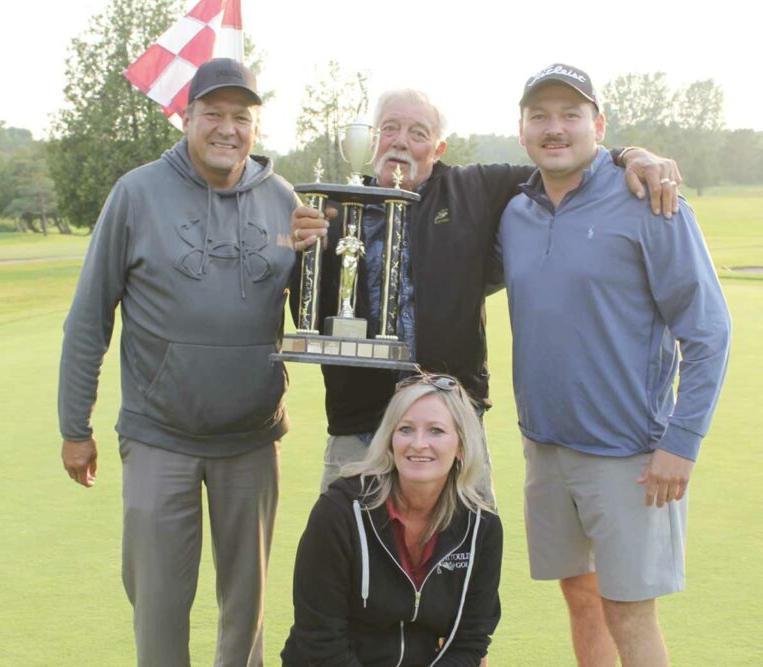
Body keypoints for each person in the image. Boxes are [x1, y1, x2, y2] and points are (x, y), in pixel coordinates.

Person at [290, 88, 682, 498]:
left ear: (439, 148)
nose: (401, 141)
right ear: (373, 139)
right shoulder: (333, 210)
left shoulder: (473, 189)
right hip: (358, 430)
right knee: (345, 555)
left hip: (453, 425)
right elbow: (313, 322)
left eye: (418, 132)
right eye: (390, 128)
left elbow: (563, 164)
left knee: (462, 554)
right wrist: (300, 253)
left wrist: (629, 155)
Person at [58, 58, 298, 667]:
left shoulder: (284, 200)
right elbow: (90, 316)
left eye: (241, 117)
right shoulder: (137, 193)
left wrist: (326, 250)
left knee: (246, 610)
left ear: (256, 125)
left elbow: (317, 316)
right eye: (212, 113)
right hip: (159, 434)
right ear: (185, 117)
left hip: (251, 439)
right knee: (159, 603)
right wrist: (74, 426)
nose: (227, 128)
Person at [497, 64, 731, 667]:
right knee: (580, 594)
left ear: (598, 125)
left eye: (571, 115)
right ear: (521, 130)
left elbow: (707, 331)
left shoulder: (649, 200)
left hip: (628, 456)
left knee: (629, 610)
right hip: (544, 449)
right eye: (540, 116)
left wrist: (682, 441)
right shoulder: (515, 212)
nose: (555, 128)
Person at [281, 373, 503, 666]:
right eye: (406, 429)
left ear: (461, 446)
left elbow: (469, 640)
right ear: (389, 440)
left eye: (436, 431)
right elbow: (320, 640)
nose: (418, 444)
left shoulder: (482, 526)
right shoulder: (338, 512)